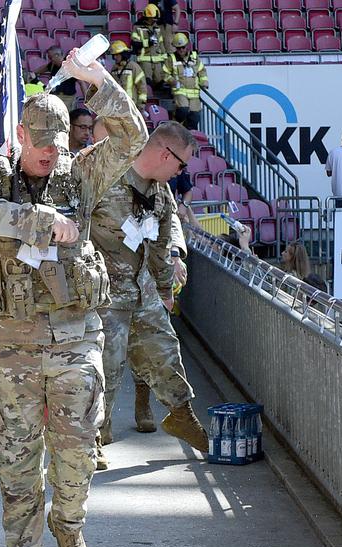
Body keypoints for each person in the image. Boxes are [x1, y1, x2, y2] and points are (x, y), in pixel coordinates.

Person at [0, 51, 147, 547]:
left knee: (78, 454)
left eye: (57, 145)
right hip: (8, 346)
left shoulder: (78, 176)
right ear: (20, 135)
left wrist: (98, 81)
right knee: (16, 466)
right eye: (39, 144)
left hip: (74, 338)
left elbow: (133, 140)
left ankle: (69, 527)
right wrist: (36, 220)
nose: (49, 154)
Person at [89, 121, 211, 471]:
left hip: (141, 288)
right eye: (181, 164)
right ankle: (93, 438)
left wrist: (163, 288)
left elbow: (159, 242)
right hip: (105, 292)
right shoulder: (106, 176)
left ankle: (182, 415)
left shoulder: (160, 192)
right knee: (106, 369)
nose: (182, 172)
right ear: (163, 154)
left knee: (164, 349)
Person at [162, 33, 207, 130]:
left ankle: (191, 135)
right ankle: (176, 127)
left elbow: (202, 70)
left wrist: (204, 82)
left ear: (187, 46)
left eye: (183, 47)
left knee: (195, 116)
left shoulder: (194, 57)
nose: (181, 50)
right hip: (180, 91)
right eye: (178, 48)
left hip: (194, 92)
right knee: (183, 110)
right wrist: (173, 81)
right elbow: (164, 74)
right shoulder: (171, 59)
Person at [30, 47, 77, 111]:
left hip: (68, 98)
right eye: (49, 57)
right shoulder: (52, 65)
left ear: (57, 55)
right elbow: (41, 69)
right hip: (55, 96)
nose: (51, 59)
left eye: (51, 57)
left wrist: (86, 97)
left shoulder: (70, 66)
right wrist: (33, 73)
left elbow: (81, 82)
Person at [132, 4, 168, 88]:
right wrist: (147, 43)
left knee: (160, 81)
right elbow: (135, 43)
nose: (155, 20)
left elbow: (161, 43)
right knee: (147, 81)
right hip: (145, 59)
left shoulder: (157, 28)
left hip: (157, 60)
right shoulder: (137, 27)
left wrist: (165, 58)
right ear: (148, 17)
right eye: (153, 18)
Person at [108, 41, 148, 114]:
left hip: (132, 106)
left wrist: (141, 105)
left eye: (117, 55)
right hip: (118, 107)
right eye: (113, 55)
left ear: (123, 54)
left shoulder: (133, 67)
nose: (115, 57)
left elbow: (142, 87)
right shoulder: (114, 69)